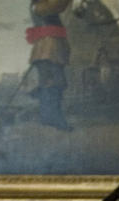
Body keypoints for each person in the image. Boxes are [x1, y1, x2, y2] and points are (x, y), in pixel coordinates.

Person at [26, 0, 73, 130]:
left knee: (55, 82)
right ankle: (51, 117)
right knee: (51, 82)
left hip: (53, 46)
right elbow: (56, 5)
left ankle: (50, 117)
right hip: (47, 47)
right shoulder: (38, 6)